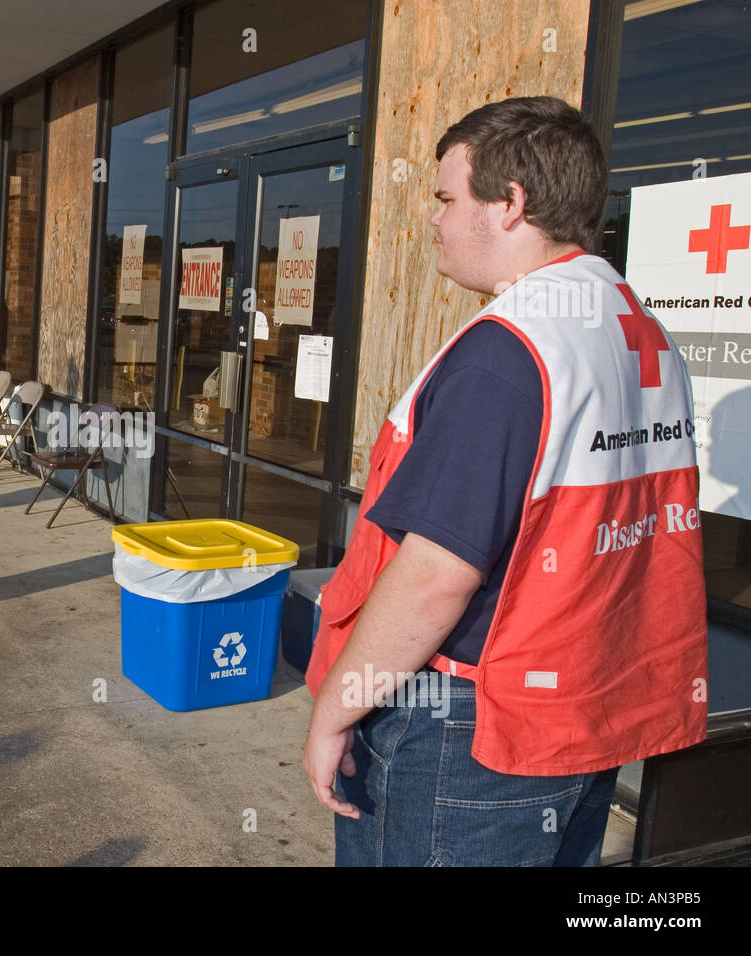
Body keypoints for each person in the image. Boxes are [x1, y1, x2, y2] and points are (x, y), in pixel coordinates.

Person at [301, 96, 707, 866]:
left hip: (469, 728)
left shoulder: (508, 351)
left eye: (447, 199)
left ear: (511, 204)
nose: (435, 222)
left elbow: (435, 577)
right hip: (584, 708)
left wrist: (335, 710)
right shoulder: (635, 326)